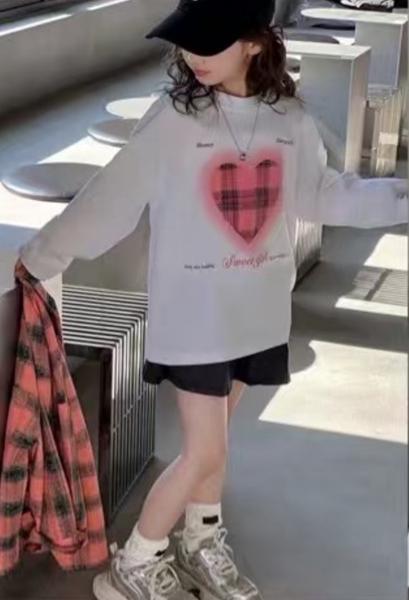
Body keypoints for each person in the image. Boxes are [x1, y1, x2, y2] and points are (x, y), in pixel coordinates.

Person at [17, 0, 408, 598]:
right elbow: (110, 198)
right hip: (194, 317)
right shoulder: (174, 120)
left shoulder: (289, 119)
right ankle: (133, 566)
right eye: (187, 39)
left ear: (255, 42)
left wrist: (400, 198)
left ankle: (200, 540)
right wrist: (44, 254)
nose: (192, 54)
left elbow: (322, 196)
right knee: (203, 452)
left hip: (257, 314)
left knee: (217, 443)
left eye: (210, 40)